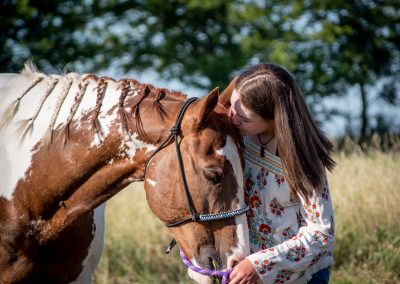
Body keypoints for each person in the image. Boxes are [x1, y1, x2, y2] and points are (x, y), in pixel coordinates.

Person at [225, 63, 336, 283]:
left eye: (244, 118)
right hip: (246, 274)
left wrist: (259, 264)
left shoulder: (300, 156)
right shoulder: (235, 138)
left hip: (299, 276)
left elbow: (321, 235)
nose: (231, 118)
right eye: (231, 106)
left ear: (275, 118)